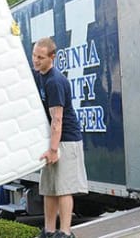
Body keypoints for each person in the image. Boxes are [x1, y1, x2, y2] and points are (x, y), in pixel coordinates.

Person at [33, 37, 88, 238]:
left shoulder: (55, 81)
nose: (35, 60)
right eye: (34, 55)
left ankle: (64, 233)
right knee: (49, 188)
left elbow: (57, 119)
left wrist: (54, 150)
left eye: (40, 57)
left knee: (64, 188)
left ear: (52, 57)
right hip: (52, 140)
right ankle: (48, 230)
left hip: (66, 139)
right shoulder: (39, 74)